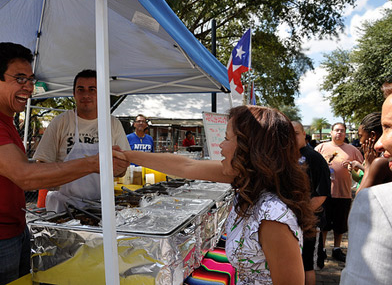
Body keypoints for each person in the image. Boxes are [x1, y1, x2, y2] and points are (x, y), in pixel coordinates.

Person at [0, 42, 129, 285]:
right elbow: (26, 176)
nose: (29, 87)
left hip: (13, 230)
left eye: (31, 80)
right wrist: (93, 163)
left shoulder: (4, 119)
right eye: (20, 78)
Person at [114, 105, 316, 284]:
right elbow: (186, 166)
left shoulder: (272, 217)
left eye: (227, 138)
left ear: (250, 149)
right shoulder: (249, 181)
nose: (220, 145)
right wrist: (128, 156)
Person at [33, 69, 130, 213]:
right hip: (63, 207)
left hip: (100, 207)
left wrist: (119, 166)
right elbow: (42, 166)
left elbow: (122, 171)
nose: (86, 95)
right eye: (81, 89)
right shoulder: (61, 122)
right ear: (74, 94)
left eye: (92, 89)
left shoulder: (112, 124)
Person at [340, 87, 392, 285]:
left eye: (388, 127)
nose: (378, 144)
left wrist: (369, 165)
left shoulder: (379, 163)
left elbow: (363, 200)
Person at [314, 123, 363, 262]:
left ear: (345, 133)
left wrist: (352, 169)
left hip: (344, 193)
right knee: (323, 224)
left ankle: (336, 248)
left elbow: (361, 172)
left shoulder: (352, 150)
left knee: (340, 225)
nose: (339, 133)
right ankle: (322, 249)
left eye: (342, 131)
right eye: (336, 130)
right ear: (331, 132)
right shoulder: (321, 148)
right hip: (324, 194)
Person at [292, 121, 331, 285]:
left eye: (295, 133)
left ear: (303, 135)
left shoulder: (314, 158)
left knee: (307, 264)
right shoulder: (284, 157)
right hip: (290, 223)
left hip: (308, 222)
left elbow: (322, 194)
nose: (290, 137)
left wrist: (301, 216)